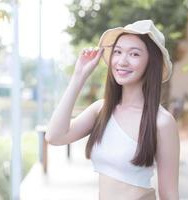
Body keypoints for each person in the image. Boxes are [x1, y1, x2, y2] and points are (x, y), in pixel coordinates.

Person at [45, 20, 179, 200]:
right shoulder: (101, 109)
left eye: (134, 54)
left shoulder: (161, 121)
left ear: (151, 62)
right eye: (117, 52)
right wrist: (79, 77)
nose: (122, 61)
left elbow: (169, 194)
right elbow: (54, 136)